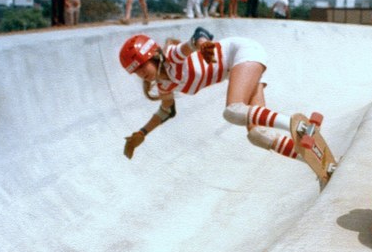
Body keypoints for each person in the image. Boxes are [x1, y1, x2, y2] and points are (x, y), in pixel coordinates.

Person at [119, 27, 302, 161]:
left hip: (243, 52)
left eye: (142, 65)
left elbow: (198, 35)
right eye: (136, 71)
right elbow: (166, 111)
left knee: (233, 110)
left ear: (152, 55)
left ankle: (300, 128)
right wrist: (142, 133)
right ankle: (309, 157)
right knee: (258, 135)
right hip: (237, 71)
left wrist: (203, 44)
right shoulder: (164, 85)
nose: (141, 73)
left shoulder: (172, 56)